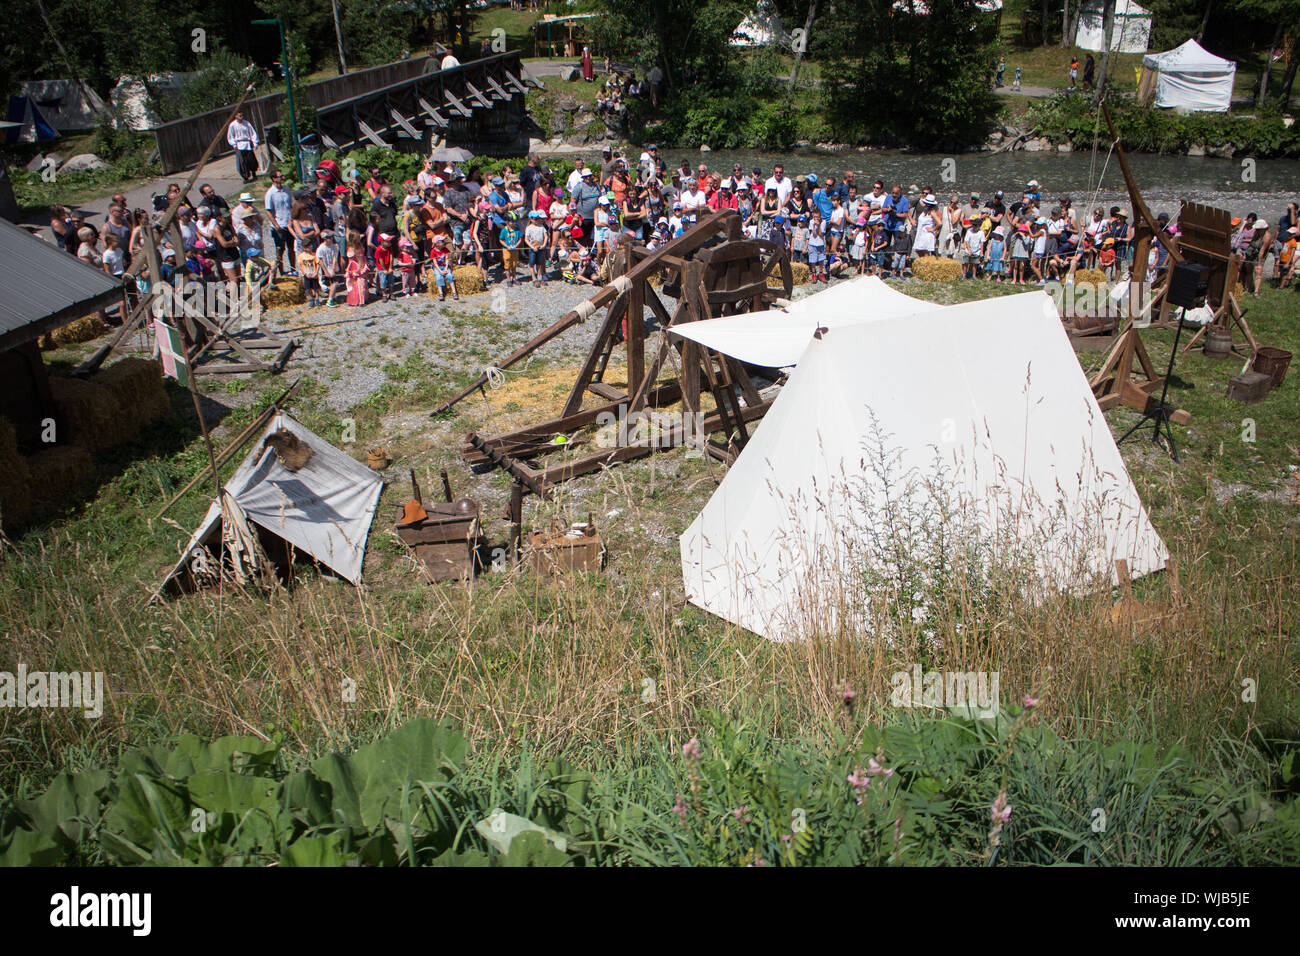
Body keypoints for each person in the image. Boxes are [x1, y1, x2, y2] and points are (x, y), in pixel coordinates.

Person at [265, 171, 295, 276]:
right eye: (280, 176)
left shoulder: (286, 190)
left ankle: (293, 268)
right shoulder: (270, 193)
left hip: (288, 224)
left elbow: (290, 205)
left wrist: (292, 220)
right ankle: (281, 272)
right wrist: (276, 225)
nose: (283, 177)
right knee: (280, 250)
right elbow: (268, 211)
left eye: (283, 175)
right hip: (279, 225)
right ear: (274, 178)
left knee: (291, 248)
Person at [227, 111, 260, 183]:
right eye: (239, 116)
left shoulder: (247, 123)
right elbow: (230, 136)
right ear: (236, 116)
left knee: (251, 160)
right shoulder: (232, 125)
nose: (241, 117)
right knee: (242, 162)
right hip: (239, 145)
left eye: (242, 115)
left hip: (247, 143)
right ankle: (246, 177)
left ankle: (254, 173)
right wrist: (234, 144)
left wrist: (255, 143)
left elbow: (252, 133)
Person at [429, 234, 458, 300]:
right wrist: (440, 271)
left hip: (445, 266)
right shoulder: (433, 251)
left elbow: (447, 259)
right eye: (442, 241)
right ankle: (441, 293)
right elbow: (434, 263)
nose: (444, 242)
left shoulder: (445, 249)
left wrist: (446, 268)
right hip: (438, 267)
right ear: (437, 243)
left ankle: (454, 292)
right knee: (438, 277)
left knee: (450, 275)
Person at [499, 215, 523, 285]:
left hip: (515, 250)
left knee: (514, 264)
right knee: (507, 264)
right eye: (512, 221)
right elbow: (501, 240)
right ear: (507, 221)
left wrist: (516, 245)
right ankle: (508, 279)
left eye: (515, 221)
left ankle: (514, 278)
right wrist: (506, 246)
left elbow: (520, 239)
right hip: (507, 250)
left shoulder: (517, 230)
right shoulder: (504, 230)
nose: (514, 223)